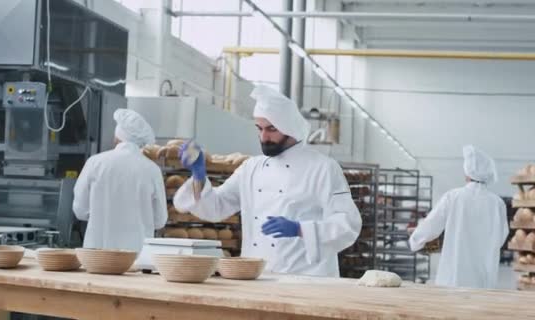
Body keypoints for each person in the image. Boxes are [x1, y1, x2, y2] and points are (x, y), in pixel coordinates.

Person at [173, 85, 362, 277]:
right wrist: (199, 176)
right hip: (258, 276)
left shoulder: (323, 168)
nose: (264, 137)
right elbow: (216, 208)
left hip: (307, 279)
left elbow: (348, 225)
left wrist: (300, 229)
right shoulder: (251, 168)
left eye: (271, 129)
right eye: (260, 129)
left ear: (289, 128)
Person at [408, 145, 508, 288]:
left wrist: (415, 241)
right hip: (484, 277)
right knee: (480, 307)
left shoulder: (453, 197)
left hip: (454, 276)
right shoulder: (497, 203)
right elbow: (501, 237)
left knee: (453, 306)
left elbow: (431, 224)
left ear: (467, 173)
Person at [73, 109, 167, 252]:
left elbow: (80, 210)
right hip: (137, 257)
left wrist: (102, 213)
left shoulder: (95, 163)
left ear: (117, 138)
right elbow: (160, 220)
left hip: (97, 255)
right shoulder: (152, 170)